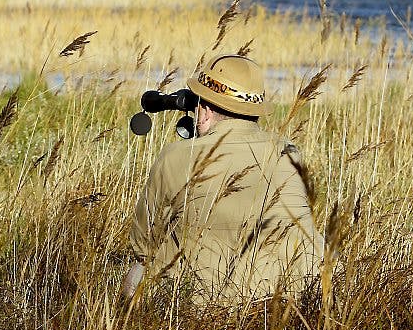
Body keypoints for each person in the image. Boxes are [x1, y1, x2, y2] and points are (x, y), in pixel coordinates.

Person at [125, 54, 323, 304]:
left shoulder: (176, 156)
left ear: (205, 111)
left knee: (139, 270)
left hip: (205, 310)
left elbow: (142, 247)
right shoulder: (289, 153)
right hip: (289, 303)